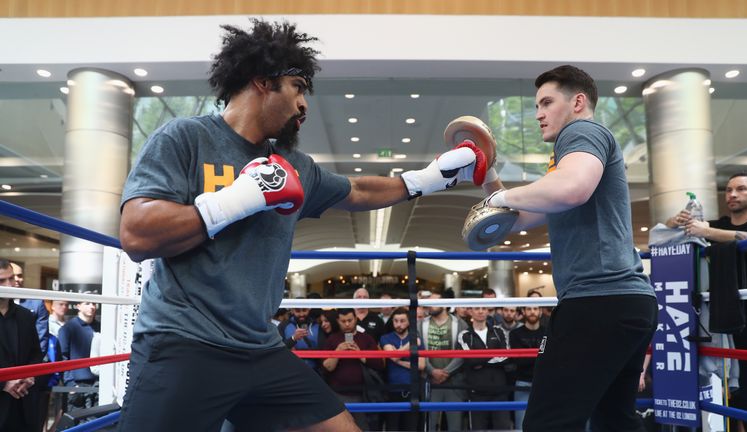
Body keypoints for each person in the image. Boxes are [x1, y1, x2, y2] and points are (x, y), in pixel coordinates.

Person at [117, 18, 491, 431]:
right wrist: (237, 199)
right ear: (263, 81)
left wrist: (432, 177)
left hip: (260, 349)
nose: (304, 105)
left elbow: (359, 191)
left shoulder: (293, 166)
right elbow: (136, 234)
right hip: (184, 343)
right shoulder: (185, 138)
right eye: (297, 88)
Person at [485, 65, 657, 431]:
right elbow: (515, 218)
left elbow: (572, 188)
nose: (538, 114)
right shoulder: (566, 162)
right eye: (535, 106)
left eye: (546, 102)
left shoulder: (582, 131)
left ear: (578, 102)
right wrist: (485, 174)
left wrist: (501, 194)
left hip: (598, 302)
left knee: (548, 424)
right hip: (623, 302)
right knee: (615, 420)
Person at [667, 172, 747, 430]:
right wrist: (675, 221)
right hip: (724, 319)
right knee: (733, 389)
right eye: (729, 190)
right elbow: (673, 233)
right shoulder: (719, 223)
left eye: (741, 189)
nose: (732, 194)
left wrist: (707, 231)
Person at [321, 309, 385, 430]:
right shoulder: (332, 339)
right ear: (337, 321)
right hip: (338, 394)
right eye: (343, 321)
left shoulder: (366, 338)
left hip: (362, 394)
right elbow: (326, 367)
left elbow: (379, 364)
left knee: (363, 428)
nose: (347, 324)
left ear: (356, 319)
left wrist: (361, 355)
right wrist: (338, 352)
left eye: (350, 320)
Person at [0, 259, 43, 432]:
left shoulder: (26, 316)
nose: (9, 284)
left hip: (24, 406)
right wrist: (4, 383)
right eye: (2, 281)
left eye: (11, 279)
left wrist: (31, 377)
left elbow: (35, 354)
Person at [456, 306, 511, 431]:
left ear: (488, 311)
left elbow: (506, 357)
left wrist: (480, 358)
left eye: (483, 308)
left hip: (499, 391)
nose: (480, 311)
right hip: (477, 393)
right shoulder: (464, 335)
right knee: (478, 429)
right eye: (477, 308)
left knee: (503, 429)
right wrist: (493, 354)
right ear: (470, 312)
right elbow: (470, 361)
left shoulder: (499, 331)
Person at [420, 293, 469, 432]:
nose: (430, 305)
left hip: (454, 382)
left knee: (455, 425)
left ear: (445, 303)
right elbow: (419, 350)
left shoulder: (460, 323)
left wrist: (446, 372)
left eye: (433, 302)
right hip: (430, 381)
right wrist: (432, 371)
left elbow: (463, 351)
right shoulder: (421, 324)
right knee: (430, 424)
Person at [379, 307, 425, 431]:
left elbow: (421, 365)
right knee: (392, 427)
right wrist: (411, 344)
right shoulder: (386, 337)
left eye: (402, 321)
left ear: (409, 321)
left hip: (412, 389)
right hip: (392, 390)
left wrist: (398, 359)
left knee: (411, 427)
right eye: (396, 321)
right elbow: (393, 357)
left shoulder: (417, 338)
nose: (399, 324)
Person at [507, 305, 546, 430]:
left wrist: (528, 355)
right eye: (529, 309)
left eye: (535, 309)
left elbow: (551, 359)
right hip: (522, 383)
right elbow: (519, 360)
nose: (532, 312)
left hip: (543, 383)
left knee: (545, 423)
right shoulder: (515, 334)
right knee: (521, 425)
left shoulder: (548, 332)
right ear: (523, 312)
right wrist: (541, 355)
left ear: (540, 311)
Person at [58, 301, 100, 411]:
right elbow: (62, 358)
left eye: (94, 304)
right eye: (87, 303)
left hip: (98, 384)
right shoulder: (68, 328)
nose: (91, 306)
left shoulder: (102, 327)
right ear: (78, 306)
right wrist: (70, 384)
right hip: (77, 385)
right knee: (76, 426)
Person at [12, 263, 50, 357]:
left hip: (28, 362)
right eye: (13, 276)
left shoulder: (36, 303)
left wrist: (33, 363)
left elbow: (42, 337)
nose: (17, 279)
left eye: (20, 276)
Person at [277, 306, 324, 372]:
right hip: (290, 370)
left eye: (304, 310)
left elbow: (322, 349)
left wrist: (295, 352)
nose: (301, 314)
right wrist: (293, 338)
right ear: (292, 310)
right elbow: (279, 348)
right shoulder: (283, 325)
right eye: (298, 311)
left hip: (314, 370)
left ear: (309, 309)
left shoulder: (317, 325)